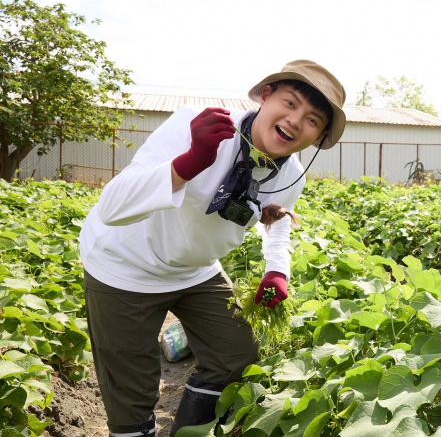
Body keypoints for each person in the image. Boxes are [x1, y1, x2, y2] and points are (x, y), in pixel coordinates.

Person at [79, 59, 347, 437]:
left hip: (196, 269)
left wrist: (276, 269)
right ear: (265, 97)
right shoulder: (197, 126)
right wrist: (187, 163)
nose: (295, 121)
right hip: (125, 265)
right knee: (131, 393)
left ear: (318, 136)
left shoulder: (289, 173)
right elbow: (111, 208)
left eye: (313, 119)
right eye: (290, 103)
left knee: (235, 355)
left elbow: (276, 220)